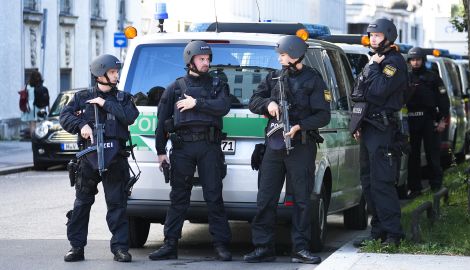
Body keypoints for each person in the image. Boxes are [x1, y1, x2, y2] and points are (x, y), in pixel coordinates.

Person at [244, 35, 330, 264]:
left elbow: (323, 115)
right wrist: (268, 104)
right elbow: (254, 100)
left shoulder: (313, 79)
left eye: (282, 55)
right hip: (274, 146)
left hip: (300, 145)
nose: (280, 59)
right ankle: (263, 247)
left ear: (294, 54)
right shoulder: (274, 77)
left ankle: (300, 248)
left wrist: (300, 126)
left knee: (302, 200)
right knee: (265, 198)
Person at [149, 40, 232, 261]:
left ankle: (221, 244)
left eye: (208, 59)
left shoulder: (217, 84)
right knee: (178, 197)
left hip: (209, 146)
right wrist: (160, 151)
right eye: (201, 59)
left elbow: (223, 107)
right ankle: (169, 244)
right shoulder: (175, 88)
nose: (206, 63)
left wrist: (198, 104)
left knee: (214, 196)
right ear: (190, 60)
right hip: (183, 147)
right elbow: (162, 121)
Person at [60, 54, 139, 262]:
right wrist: (81, 125)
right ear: (99, 75)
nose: (116, 75)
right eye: (112, 72)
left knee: (117, 205)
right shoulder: (82, 97)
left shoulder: (123, 98)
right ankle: (76, 247)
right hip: (88, 160)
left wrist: (105, 104)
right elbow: (64, 115)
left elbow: (130, 116)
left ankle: (120, 248)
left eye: (116, 72)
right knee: (81, 204)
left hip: (115, 160)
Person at [350, 18, 408, 247]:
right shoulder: (373, 60)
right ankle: (378, 231)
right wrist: (358, 124)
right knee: (368, 182)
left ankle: (394, 234)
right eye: (371, 34)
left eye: (378, 35)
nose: (373, 38)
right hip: (369, 127)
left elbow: (376, 92)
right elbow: (357, 91)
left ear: (388, 36)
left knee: (382, 182)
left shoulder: (393, 62)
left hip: (383, 129)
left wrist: (373, 68)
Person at [406, 47, 450, 198]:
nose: (415, 62)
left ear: (423, 60)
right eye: (412, 59)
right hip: (411, 119)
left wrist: (442, 120)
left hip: (428, 119)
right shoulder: (406, 78)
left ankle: (436, 186)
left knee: (433, 153)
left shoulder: (433, 78)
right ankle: (415, 188)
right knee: (413, 156)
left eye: (418, 59)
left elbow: (443, 101)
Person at [21, 71, 49, 136]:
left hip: (31, 107)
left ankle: (34, 140)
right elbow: (47, 96)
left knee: (32, 124)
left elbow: (25, 97)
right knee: (42, 123)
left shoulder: (27, 86)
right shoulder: (43, 85)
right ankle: (41, 138)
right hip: (41, 106)